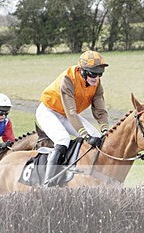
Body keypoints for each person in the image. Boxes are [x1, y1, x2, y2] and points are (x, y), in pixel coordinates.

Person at [36, 49, 110, 186]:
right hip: (48, 111)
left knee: (97, 135)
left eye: (100, 74)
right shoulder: (68, 79)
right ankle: (48, 183)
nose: (96, 77)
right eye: (93, 73)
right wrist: (85, 136)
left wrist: (105, 129)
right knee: (63, 139)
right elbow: (71, 111)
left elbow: (100, 109)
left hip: (66, 114)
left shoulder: (96, 84)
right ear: (82, 71)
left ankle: (91, 176)